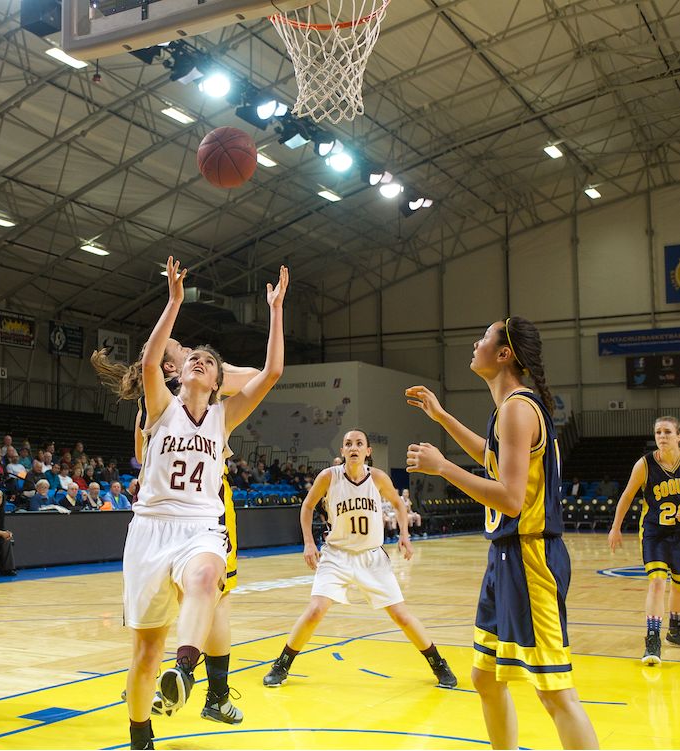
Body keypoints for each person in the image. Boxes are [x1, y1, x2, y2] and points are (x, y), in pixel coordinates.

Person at [108, 257, 286, 750]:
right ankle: (140, 737)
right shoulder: (160, 406)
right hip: (150, 530)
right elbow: (149, 362)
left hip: (200, 526)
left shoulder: (224, 417)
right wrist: (174, 301)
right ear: (181, 374)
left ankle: (186, 670)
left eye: (209, 361)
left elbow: (272, 371)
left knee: (209, 577)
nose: (200, 361)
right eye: (194, 358)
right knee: (145, 653)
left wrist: (275, 310)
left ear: (217, 380)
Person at [404, 316, 598, 750]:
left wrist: (444, 468)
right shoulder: (511, 408)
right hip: (507, 558)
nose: (475, 344)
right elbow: (491, 456)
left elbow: (510, 499)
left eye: (483, 338)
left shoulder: (517, 409)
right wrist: (442, 416)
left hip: (531, 559)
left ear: (504, 353)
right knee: (486, 677)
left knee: (555, 693)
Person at [92, 312, 263, 730]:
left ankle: (169, 678)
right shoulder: (172, 396)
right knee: (214, 599)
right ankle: (207, 693)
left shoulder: (171, 398)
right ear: (171, 365)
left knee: (202, 594)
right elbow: (258, 375)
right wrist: (220, 372)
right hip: (192, 505)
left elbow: (139, 453)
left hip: (183, 508)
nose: (189, 349)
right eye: (182, 349)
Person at [262, 429, 456, 690]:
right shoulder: (328, 476)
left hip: (371, 556)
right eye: (348, 444)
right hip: (337, 555)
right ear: (342, 451)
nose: (353, 447)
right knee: (316, 610)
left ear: (368, 451)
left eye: (359, 443)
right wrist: (308, 542)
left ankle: (438, 664)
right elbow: (307, 506)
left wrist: (404, 535)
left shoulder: (378, 478)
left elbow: (399, 505)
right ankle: (282, 664)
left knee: (401, 615)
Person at [608, 416, 680, 664]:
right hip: (654, 533)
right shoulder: (645, 464)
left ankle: (675, 629)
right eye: (658, 432)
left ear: (678, 436)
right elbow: (627, 495)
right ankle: (652, 638)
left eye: (667, 432)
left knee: (678, 584)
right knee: (658, 582)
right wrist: (615, 527)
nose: (662, 436)